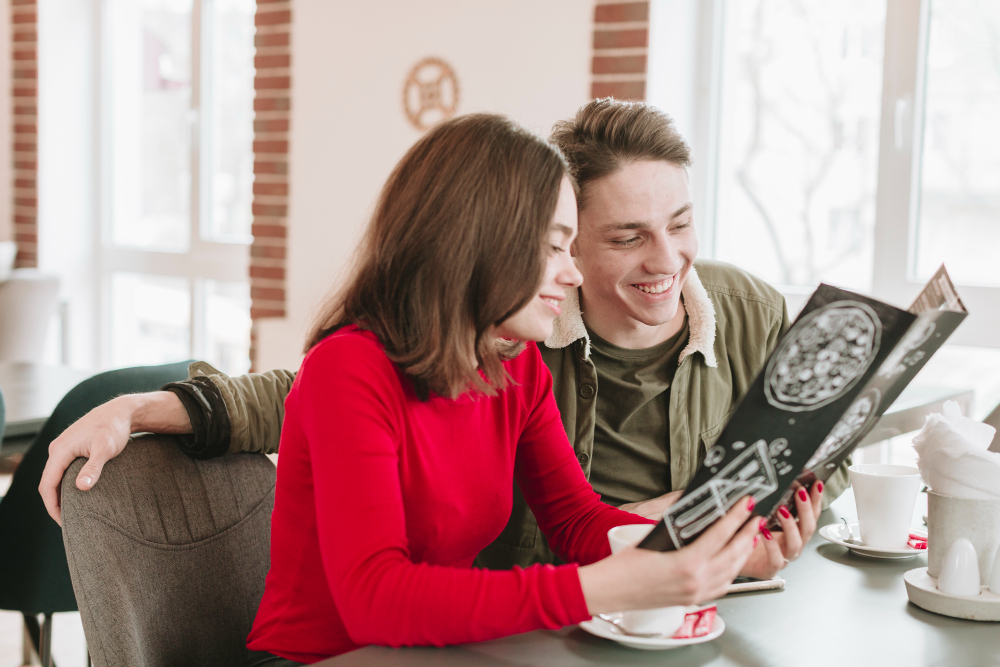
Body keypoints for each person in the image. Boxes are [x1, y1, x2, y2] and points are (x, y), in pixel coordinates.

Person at [40, 100, 834, 580]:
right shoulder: (517, 339)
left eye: (683, 225)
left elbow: (812, 447)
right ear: (566, 243)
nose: (666, 260)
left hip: (667, 600)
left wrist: (735, 536)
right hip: (548, 616)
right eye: (627, 237)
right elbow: (308, 393)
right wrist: (146, 405)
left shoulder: (750, 309)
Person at [179, 114, 767, 664]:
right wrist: (604, 585)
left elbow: (576, 520)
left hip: (439, 656)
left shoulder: (516, 364)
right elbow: (376, 598)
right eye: (555, 246)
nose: (574, 271)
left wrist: (698, 546)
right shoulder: (349, 369)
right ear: (483, 245)